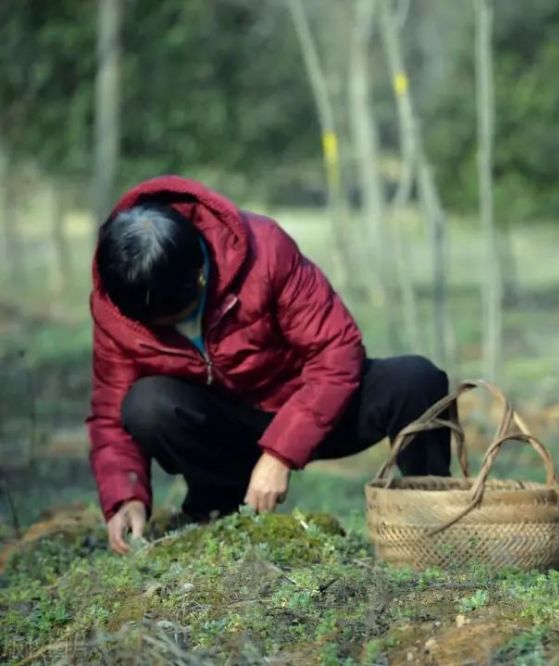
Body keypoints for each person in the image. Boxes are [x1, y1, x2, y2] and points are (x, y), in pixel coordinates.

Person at [89, 176, 450, 554]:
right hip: (220, 426)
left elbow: (336, 350)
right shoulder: (116, 304)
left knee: (415, 380)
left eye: (177, 315)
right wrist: (125, 495)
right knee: (146, 405)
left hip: (306, 402)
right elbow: (110, 410)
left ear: (199, 274)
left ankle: (434, 521)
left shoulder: (263, 249)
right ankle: (217, 511)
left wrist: (281, 451)